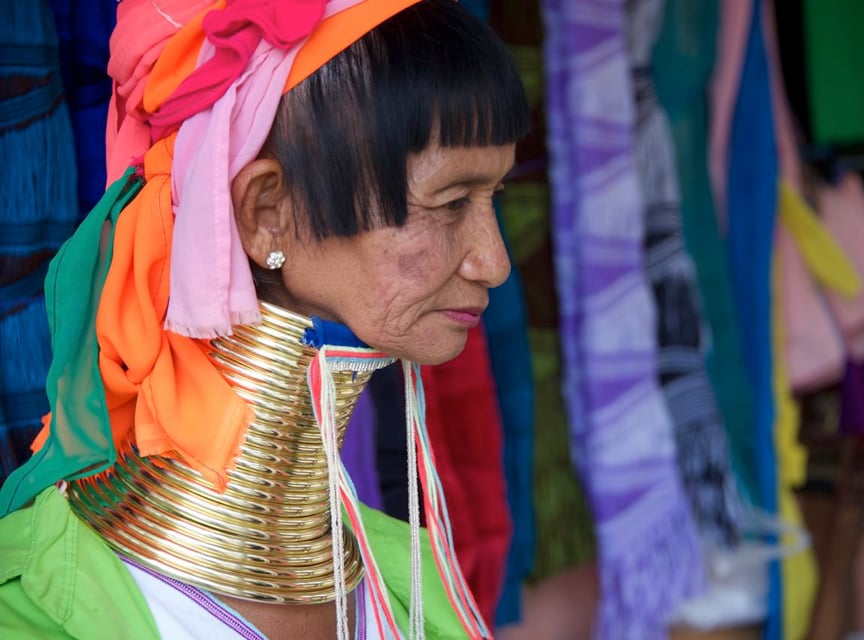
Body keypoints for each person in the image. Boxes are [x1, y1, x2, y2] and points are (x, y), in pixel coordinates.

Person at [0, 0, 530, 638]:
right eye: (449, 203)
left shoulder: (408, 576)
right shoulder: (27, 611)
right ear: (265, 212)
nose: (493, 262)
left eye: (493, 197)